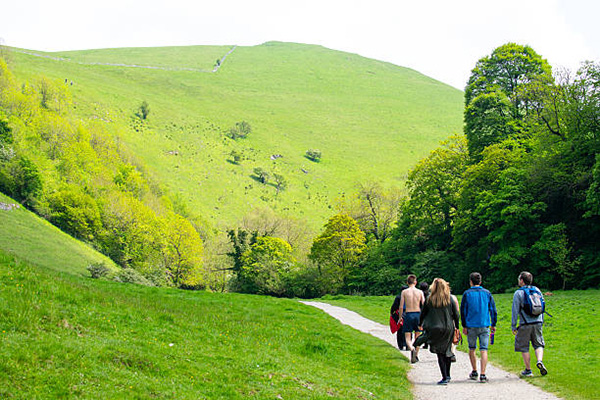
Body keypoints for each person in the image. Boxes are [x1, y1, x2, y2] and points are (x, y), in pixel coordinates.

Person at [414, 278, 460, 385]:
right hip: (448, 328)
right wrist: (457, 327)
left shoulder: (429, 299)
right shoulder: (450, 299)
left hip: (434, 328)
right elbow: (456, 315)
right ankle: (448, 375)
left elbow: (423, 313)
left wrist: (420, 324)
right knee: (447, 351)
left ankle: (444, 376)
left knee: (440, 353)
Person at [460, 272, 497, 383]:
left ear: (470, 281)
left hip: (471, 325)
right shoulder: (487, 293)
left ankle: (474, 370)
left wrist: (464, 325)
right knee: (483, 349)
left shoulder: (467, 294)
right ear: (480, 281)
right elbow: (493, 310)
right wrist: (493, 324)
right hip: (484, 324)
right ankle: (483, 373)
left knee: (472, 348)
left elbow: (463, 311)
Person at [512, 271, 548, 377]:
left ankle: (528, 370)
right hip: (538, 322)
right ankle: (539, 360)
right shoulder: (537, 290)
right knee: (538, 344)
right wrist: (541, 321)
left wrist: (514, 325)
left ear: (522, 280)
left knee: (524, 346)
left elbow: (515, 310)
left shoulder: (518, 293)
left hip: (525, 323)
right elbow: (543, 306)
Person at [399, 274, 425, 363]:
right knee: (417, 336)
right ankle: (416, 355)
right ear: (415, 282)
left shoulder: (404, 292)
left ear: (407, 282)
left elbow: (401, 306)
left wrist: (400, 317)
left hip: (408, 314)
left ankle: (411, 348)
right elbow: (424, 305)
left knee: (407, 337)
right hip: (418, 314)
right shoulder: (420, 292)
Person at [390, 285, 409, 350]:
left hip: (400, 314)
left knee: (400, 329)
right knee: (408, 330)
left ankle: (400, 345)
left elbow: (394, 306)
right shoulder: (410, 296)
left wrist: (392, 312)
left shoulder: (398, 297)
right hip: (408, 313)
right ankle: (407, 344)